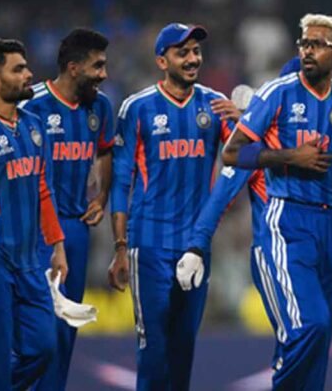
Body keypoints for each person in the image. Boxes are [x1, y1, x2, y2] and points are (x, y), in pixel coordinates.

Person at [221, 13, 332, 390]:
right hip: (287, 219)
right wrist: (290, 157)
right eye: (304, 43)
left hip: (328, 227)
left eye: (318, 45)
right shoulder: (277, 93)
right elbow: (232, 153)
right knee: (309, 325)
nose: (308, 50)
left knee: (319, 343)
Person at [106, 22, 236, 390]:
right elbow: (121, 181)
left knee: (183, 348)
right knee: (153, 349)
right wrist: (119, 247)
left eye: (196, 51)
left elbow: (244, 158)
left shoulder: (216, 104)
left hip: (196, 246)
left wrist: (243, 122)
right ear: (162, 61)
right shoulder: (137, 107)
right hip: (148, 245)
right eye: (183, 53)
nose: (193, 59)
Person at [0, 38, 68, 390]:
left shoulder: (34, 126)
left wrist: (57, 245)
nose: (28, 74)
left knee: (45, 348)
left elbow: (44, 188)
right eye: (18, 69)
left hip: (30, 262)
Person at [20, 28, 114, 391]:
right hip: (36, 232)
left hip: (76, 228)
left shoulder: (100, 107)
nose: (104, 74)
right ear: (74, 68)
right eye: (97, 66)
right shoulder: (32, 104)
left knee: (64, 332)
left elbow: (105, 151)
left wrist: (101, 197)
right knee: (37, 331)